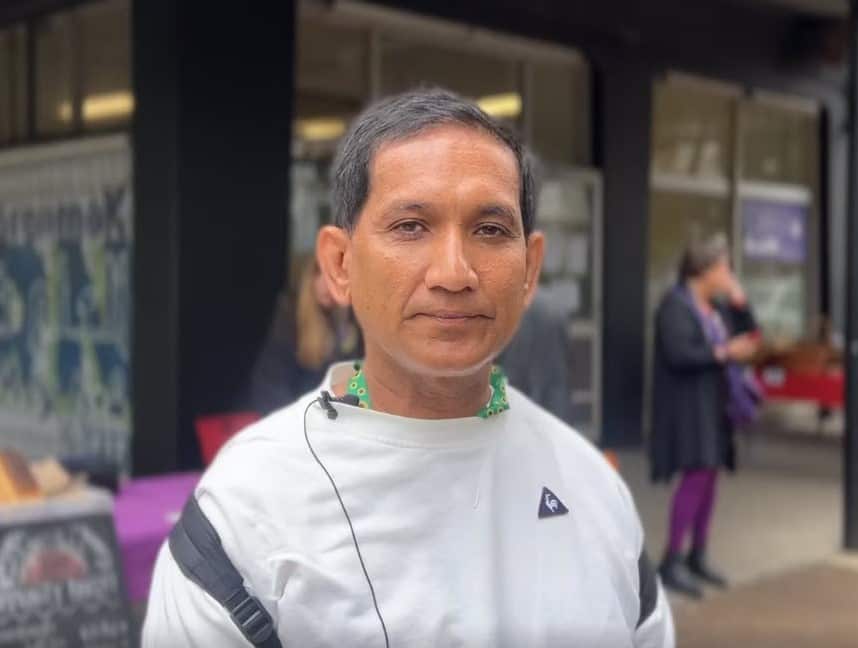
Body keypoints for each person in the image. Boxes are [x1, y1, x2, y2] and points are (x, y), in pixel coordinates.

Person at [143, 88, 674, 647]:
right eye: (411, 226)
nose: (454, 273)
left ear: (530, 268)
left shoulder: (595, 491)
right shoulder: (244, 518)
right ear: (340, 264)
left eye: (490, 230)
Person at [651, 235, 760, 599]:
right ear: (704, 270)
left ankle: (698, 554)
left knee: (711, 477)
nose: (729, 274)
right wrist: (725, 352)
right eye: (724, 268)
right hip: (688, 409)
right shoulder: (674, 306)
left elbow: (751, 335)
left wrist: (740, 302)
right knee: (695, 477)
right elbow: (680, 354)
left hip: (716, 406)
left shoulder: (717, 308)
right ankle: (671, 560)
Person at [248, 255, 360, 414]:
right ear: (310, 278)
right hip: (293, 413)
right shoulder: (289, 316)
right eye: (321, 274)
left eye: (335, 277)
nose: (328, 285)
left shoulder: (351, 320)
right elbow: (270, 385)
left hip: (333, 415)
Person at [497, 287, 573, 423]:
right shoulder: (556, 305)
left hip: (518, 387)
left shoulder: (511, 304)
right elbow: (566, 351)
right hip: (554, 389)